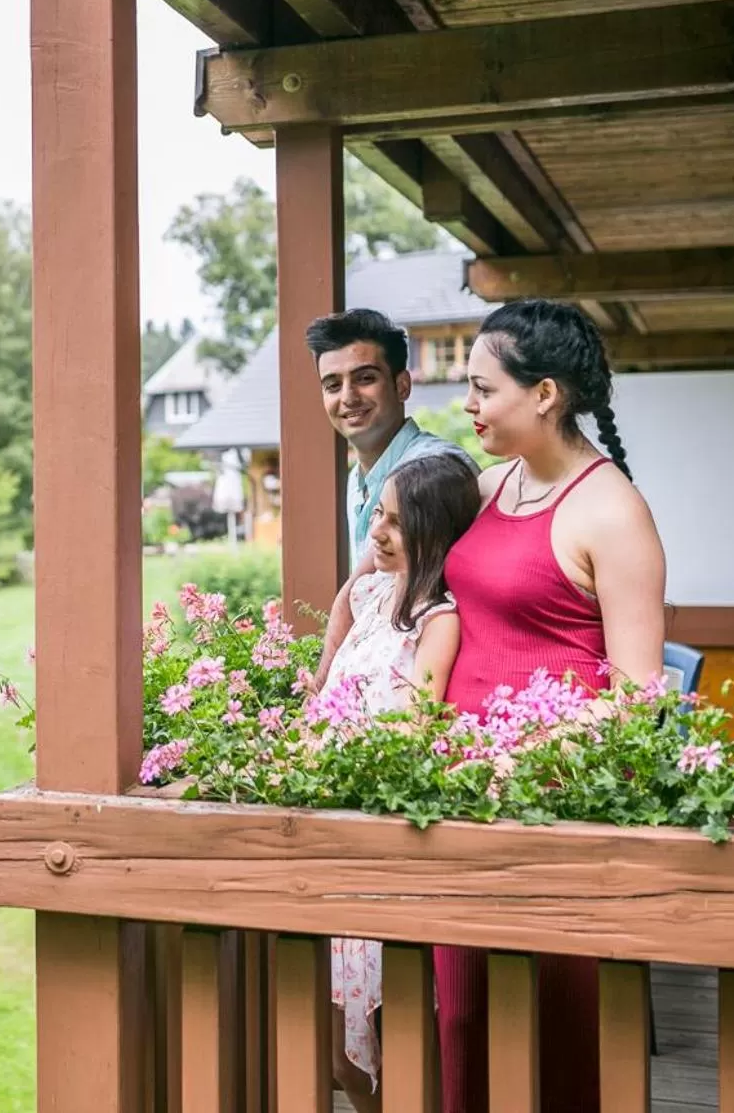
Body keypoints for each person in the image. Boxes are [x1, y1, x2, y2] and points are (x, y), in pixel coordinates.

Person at [432, 299, 667, 1113]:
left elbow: (638, 698)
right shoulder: (490, 486)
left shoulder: (614, 511)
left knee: (561, 1025)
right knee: (461, 1020)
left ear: (544, 395)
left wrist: (527, 754)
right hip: (456, 800)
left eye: (480, 387)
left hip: (552, 805)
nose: (468, 405)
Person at [313, 453, 481, 1113]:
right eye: (376, 514)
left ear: (435, 530)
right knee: (340, 1057)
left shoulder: (440, 619)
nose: (377, 531)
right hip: (332, 829)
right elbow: (323, 691)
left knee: (395, 1040)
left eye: (396, 521)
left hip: (383, 838)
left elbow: (419, 725)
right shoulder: (365, 594)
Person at [306, 309, 476, 569]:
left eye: (365, 379)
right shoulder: (356, 481)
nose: (348, 397)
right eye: (333, 385)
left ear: (402, 386)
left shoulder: (438, 467)